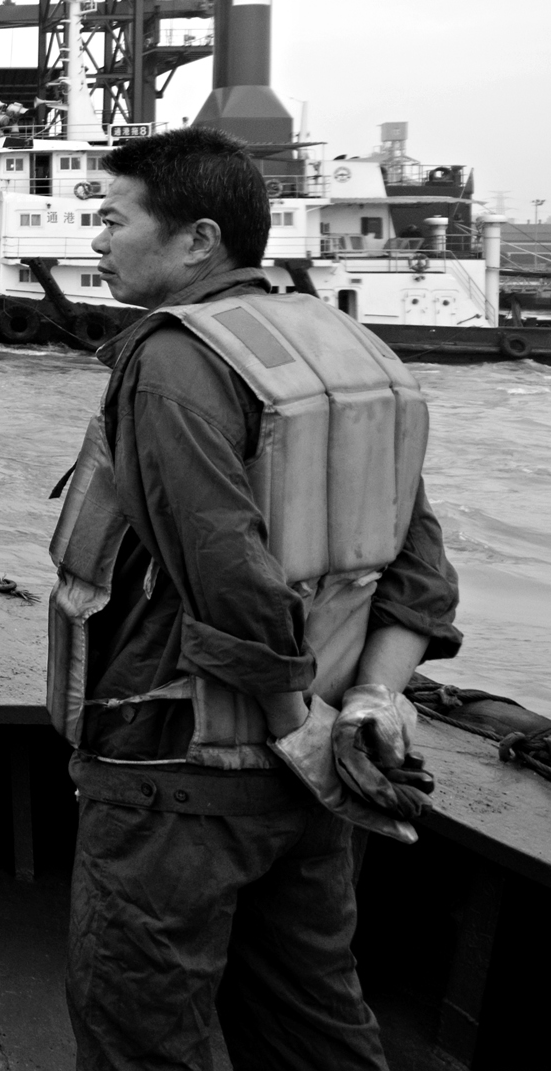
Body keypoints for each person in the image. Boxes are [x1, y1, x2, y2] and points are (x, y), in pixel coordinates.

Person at [47, 125, 460, 1071]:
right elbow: (419, 567)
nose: (95, 240)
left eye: (112, 219)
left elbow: (225, 573)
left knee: (141, 1027)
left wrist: (289, 722)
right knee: (312, 1018)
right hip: (316, 773)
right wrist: (361, 706)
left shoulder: (170, 361)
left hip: (177, 768)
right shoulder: (347, 346)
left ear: (197, 240)